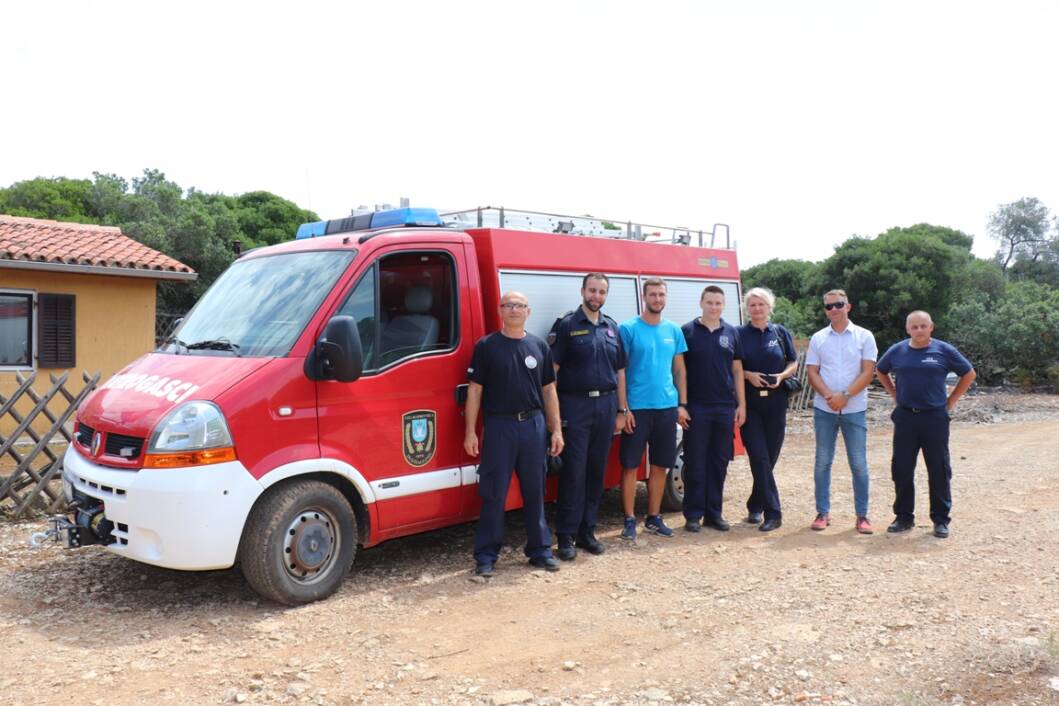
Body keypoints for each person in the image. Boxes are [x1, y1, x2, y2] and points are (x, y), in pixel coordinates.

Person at [464, 291, 564, 576]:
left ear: (528, 312)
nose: (514, 310)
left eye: (520, 306)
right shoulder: (486, 346)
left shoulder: (539, 346)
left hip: (533, 425)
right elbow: (475, 390)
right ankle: (486, 556)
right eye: (508, 305)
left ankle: (540, 550)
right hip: (499, 427)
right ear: (500, 310)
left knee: (535, 490)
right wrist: (470, 432)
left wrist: (556, 429)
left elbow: (549, 390)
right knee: (494, 493)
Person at [547, 273, 629, 560]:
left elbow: (620, 372)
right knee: (574, 472)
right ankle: (566, 536)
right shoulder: (567, 325)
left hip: (606, 406)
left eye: (601, 292)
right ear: (583, 291)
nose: (596, 296)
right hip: (575, 406)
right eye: (592, 290)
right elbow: (552, 374)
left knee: (596, 471)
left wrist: (622, 410)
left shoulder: (612, 327)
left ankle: (588, 532)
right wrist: (554, 417)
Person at [876, 310, 976, 539]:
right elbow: (880, 370)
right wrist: (894, 393)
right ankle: (904, 517)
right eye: (914, 327)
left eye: (923, 326)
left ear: (931, 327)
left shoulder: (944, 350)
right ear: (907, 329)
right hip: (905, 417)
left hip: (935, 418)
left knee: (939, 468)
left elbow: (969, 374)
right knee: (901, 468)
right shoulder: (898, 350)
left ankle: (940, 519)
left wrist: (951, 400)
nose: (919, 330)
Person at [618, 277, 689, 540]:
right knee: (630, 466)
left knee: (660, 465)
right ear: (644, 297)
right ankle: (628, 520)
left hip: (666, 408)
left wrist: (682, 405)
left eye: (661, 295)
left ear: (665, 297)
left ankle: (653, 518)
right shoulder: (628, 329)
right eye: (653, 295)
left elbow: (679, 370)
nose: (657, 299)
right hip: (637, 409)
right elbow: (620, 371)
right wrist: (624, 409)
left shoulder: (674, 330)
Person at [805, 289, 878, 534]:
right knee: (822, 462)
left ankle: (862, 516)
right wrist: (830, 396)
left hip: (854, 409)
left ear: (848, 306)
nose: (834, 309)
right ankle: (822, 513)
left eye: (838, 304)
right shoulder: (818, 338)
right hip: (824, 409)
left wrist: (845, 396)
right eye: (829, 306)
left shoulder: (865, 336)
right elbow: (812, 372)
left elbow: (868, 372)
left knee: (858, 464)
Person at [680, 285, 746, 532]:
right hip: (696, 407)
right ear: (701, 303)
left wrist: (742, 405)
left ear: (724, 305)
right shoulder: (687, 331)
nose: (714, 307)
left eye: (718, 303)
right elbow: (680, 371)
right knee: (695, 462)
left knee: (719, 462)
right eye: (710, 302)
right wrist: (682, 404)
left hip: (724, 407)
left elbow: (737, 370)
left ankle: (713, 514)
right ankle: (693, 514)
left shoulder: (732, 332)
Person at [737, 287, 799, 532]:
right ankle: (773, 513)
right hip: (750, 404)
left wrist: (781, 376)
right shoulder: (739, 334)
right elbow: (731, 366)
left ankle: (755, 503)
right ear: (746, 308)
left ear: (769, 306)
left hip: (776, 403)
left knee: (769, 457)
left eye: (761, 304)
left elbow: (793, 362)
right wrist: (748, 375)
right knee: (759, 456)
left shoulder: (780, 332)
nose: (757, 308)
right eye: (752, 305)